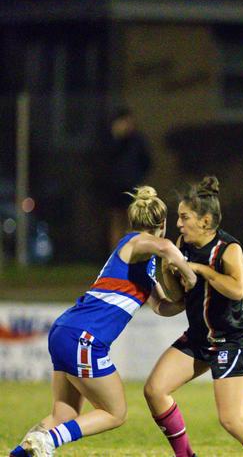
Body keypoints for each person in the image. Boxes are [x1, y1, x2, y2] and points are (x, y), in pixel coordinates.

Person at [10, 186, 196, 457]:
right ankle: (49, 441)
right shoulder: (135, 242)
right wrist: (190, 276)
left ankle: (22, 452)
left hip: (67, 330)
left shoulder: (143, 265)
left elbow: (160, 307)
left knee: (63, 416)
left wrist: (184, 301)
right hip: (85, 337)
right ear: (162, 224)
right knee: (115, 412)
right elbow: (165, 246)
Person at [143, 176, 243, 457]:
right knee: (155, 390)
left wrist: (201, 269)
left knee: (231, 419)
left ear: (205, 221)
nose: (179, 224)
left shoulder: (229, 249)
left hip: (232, 340)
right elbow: (179, 298)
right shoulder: (182, 243)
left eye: (184, 217)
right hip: (199, 338)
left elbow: (237, 289)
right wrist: (168, 269)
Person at [100, 108, 152, 251]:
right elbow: (104, 159)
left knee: (132, 220)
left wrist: (138, 176)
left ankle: (131, 254)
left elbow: (147, 161)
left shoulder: (137, 140)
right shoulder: (110, 139)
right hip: (114, 186)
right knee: (116, 221)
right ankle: (115, 255)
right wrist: (117, 138)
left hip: (132, 186)